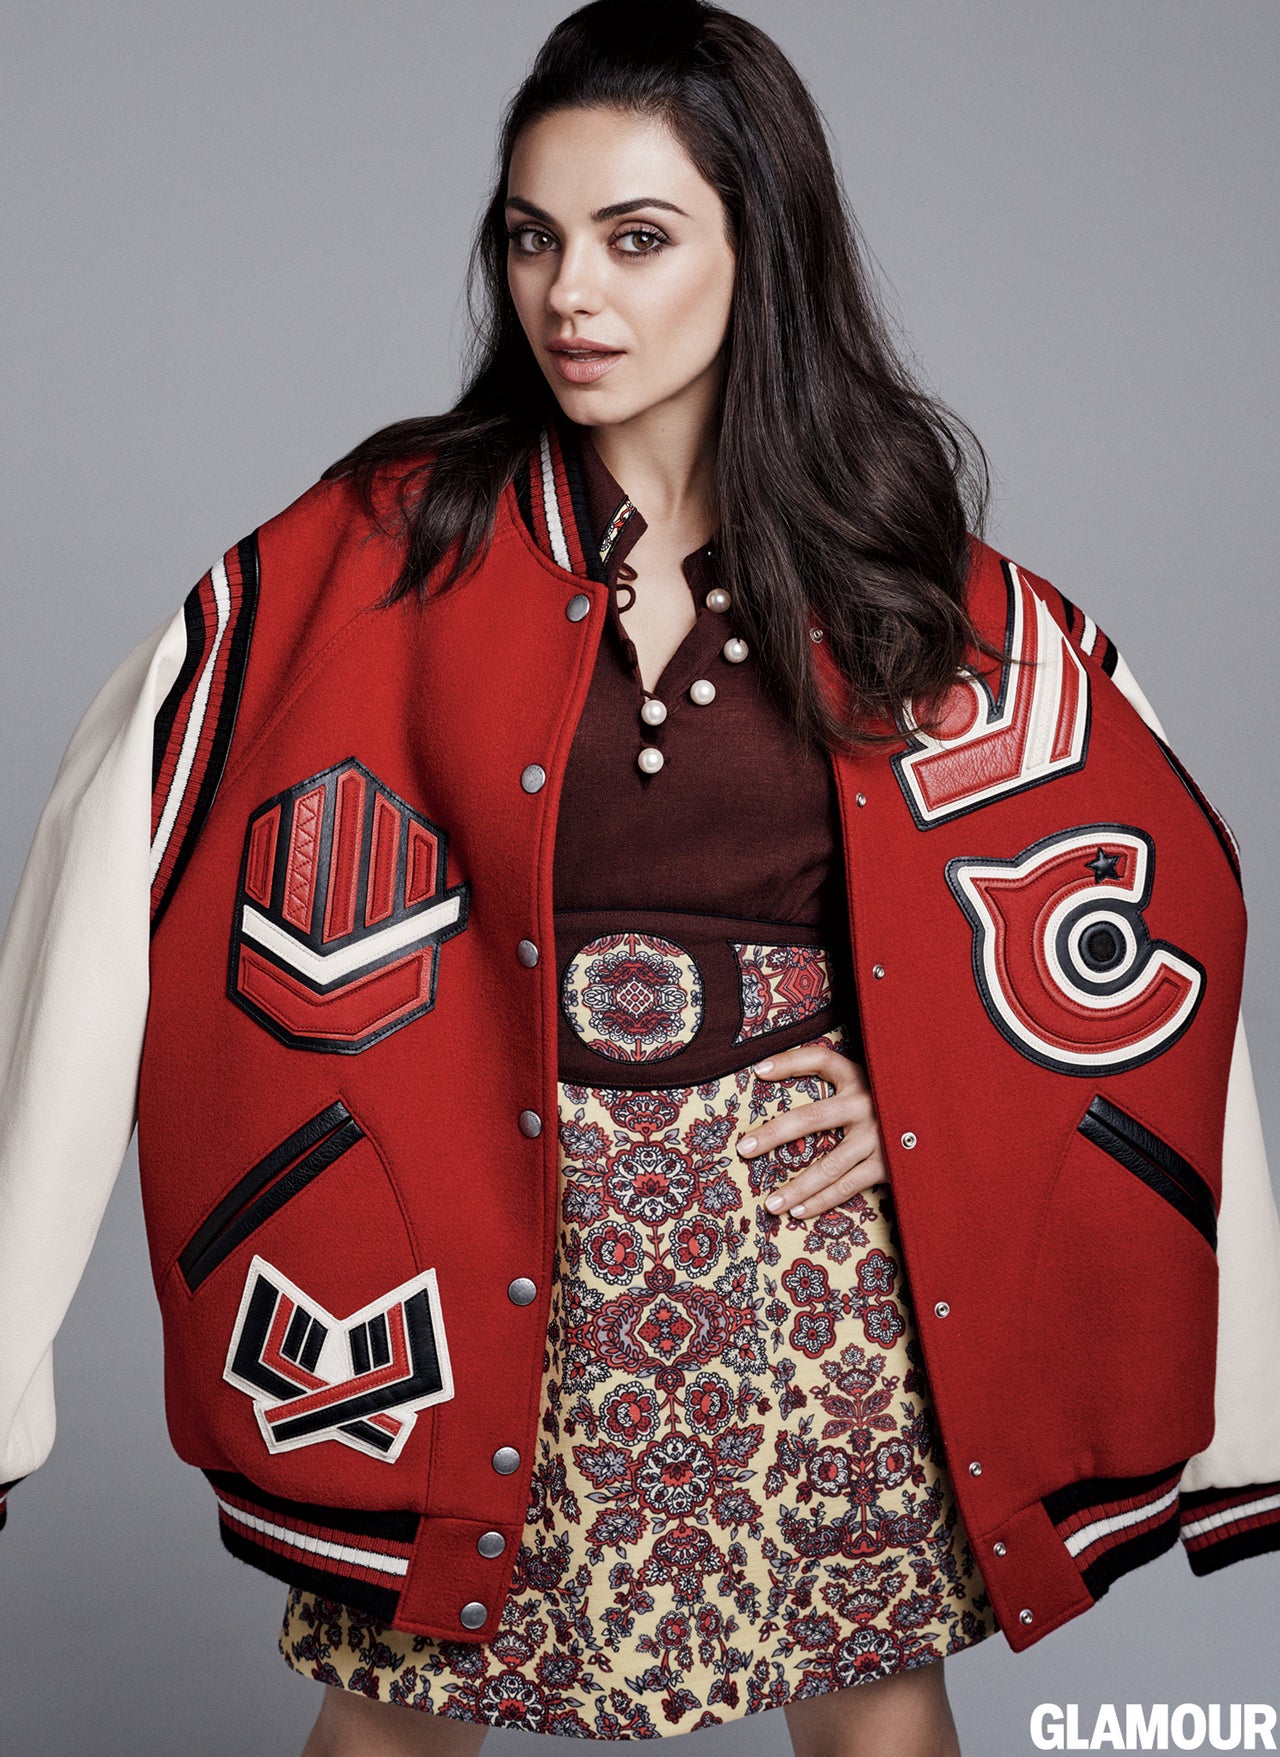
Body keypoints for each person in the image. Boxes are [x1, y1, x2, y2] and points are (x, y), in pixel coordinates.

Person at [2, 5, 1278, 1756]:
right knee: (392, 1718)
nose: (571, 294)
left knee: (878, 1711)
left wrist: (938, 1099)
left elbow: (1143, 921)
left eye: (637, 237)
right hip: (479, 1263)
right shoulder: (379, 551)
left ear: (763, 249)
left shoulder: (903, 580)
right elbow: (109, 869)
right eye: (533, 237)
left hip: (817, 1268)